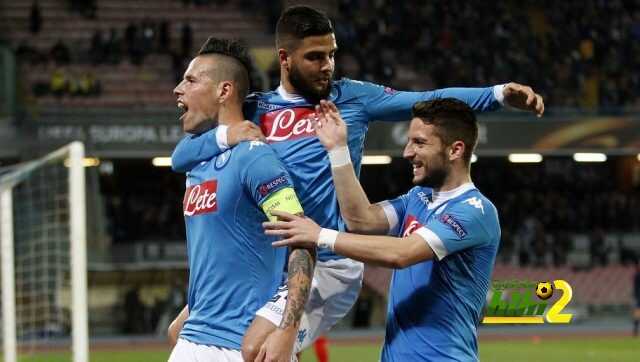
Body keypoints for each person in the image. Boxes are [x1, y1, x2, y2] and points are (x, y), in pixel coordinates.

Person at [169, 5, 543, 357]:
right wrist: (226, 136)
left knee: (259, 349)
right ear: (284, 59)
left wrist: (496, 95)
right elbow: (183, 155)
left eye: (331, 54)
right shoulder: (255, 108)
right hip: (272, 263)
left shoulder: (353, 98)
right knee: (180, 332)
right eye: (315, 56)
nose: (327, 65)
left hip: (327, 263)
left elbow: (428, 99)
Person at [266, 99, 501, 361]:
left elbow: (402, 253)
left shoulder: (475, 210)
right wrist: (338, 150)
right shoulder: (418, 197)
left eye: (419, 143)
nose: (407, 152)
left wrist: (320, 235)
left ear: (455, 150)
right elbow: (361, 220)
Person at [168, 36, 314, 362]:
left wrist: (287, 329)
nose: (178, 89)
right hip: (197, 336)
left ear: (224, 91)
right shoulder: (199, 160)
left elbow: (302, 242)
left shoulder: (255, 158)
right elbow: (178, 157)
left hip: (237, 344)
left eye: (190, 80)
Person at [634, 261, 640, 337]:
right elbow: (636, 288)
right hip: (639, 298)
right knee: (637, 314)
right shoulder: (637, 276)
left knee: (637, 314)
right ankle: (635, 330)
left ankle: (635, 330)